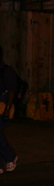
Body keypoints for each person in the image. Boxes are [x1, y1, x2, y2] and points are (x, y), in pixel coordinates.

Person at [0, 45, 19, 173]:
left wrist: (7, 108)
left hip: (3, 106)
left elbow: (12, 90)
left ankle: (10, 156)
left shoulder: (6, 70)